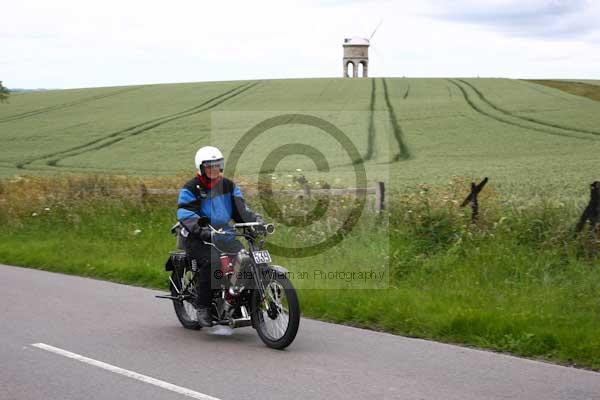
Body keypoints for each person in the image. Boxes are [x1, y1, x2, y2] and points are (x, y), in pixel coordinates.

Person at [177, 146, 260, 327]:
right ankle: (203, 307)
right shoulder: (191, 188)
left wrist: (256, 221)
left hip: (224, 235)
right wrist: (202, 230)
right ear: (201, 168)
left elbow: (241, 211)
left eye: (218, 166)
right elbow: (186, 214)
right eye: (210, 166)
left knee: (245, 260)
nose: (214, 170)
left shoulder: (229, 187)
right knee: (212, 262)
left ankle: (234, 300)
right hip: (197, 237)